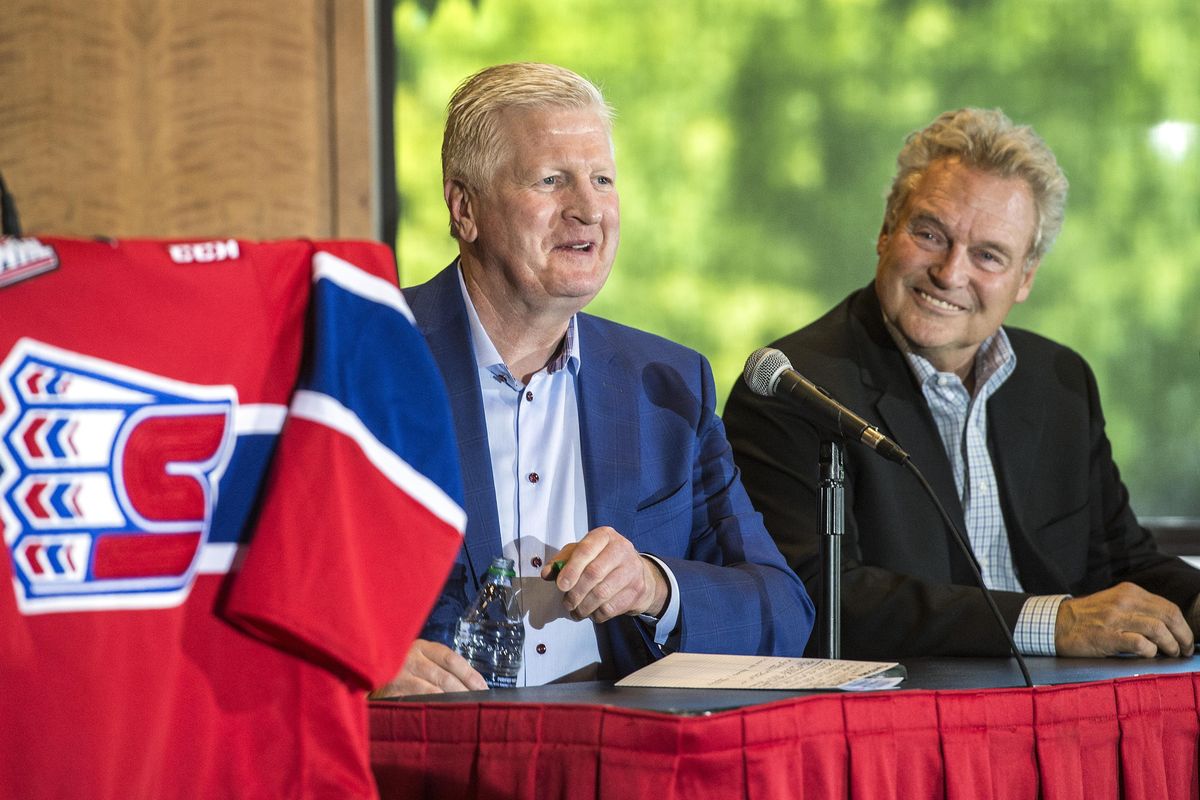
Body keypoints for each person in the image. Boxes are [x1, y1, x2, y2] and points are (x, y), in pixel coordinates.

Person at [375, 62, 813, 696]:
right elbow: (265, 579)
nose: (587, 210)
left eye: (602, 180)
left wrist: (653, 586)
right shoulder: (365, 360)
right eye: (551, 180)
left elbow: (782, 613)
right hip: (421, 762)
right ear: (463, 208)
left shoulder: (667, 385)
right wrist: (365, 660)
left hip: (612, 761)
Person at [724, 107, 1200, 660]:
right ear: (885, 232)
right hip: (909, 719)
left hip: (1068, 710)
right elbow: (816, 597)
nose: (950, 273)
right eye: (930, 234)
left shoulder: (1061, 382)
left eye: (988, 255)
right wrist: (1052, 623)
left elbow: (1120, 560)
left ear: (1025, 277)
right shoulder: (796, 387)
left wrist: (1192, 600)